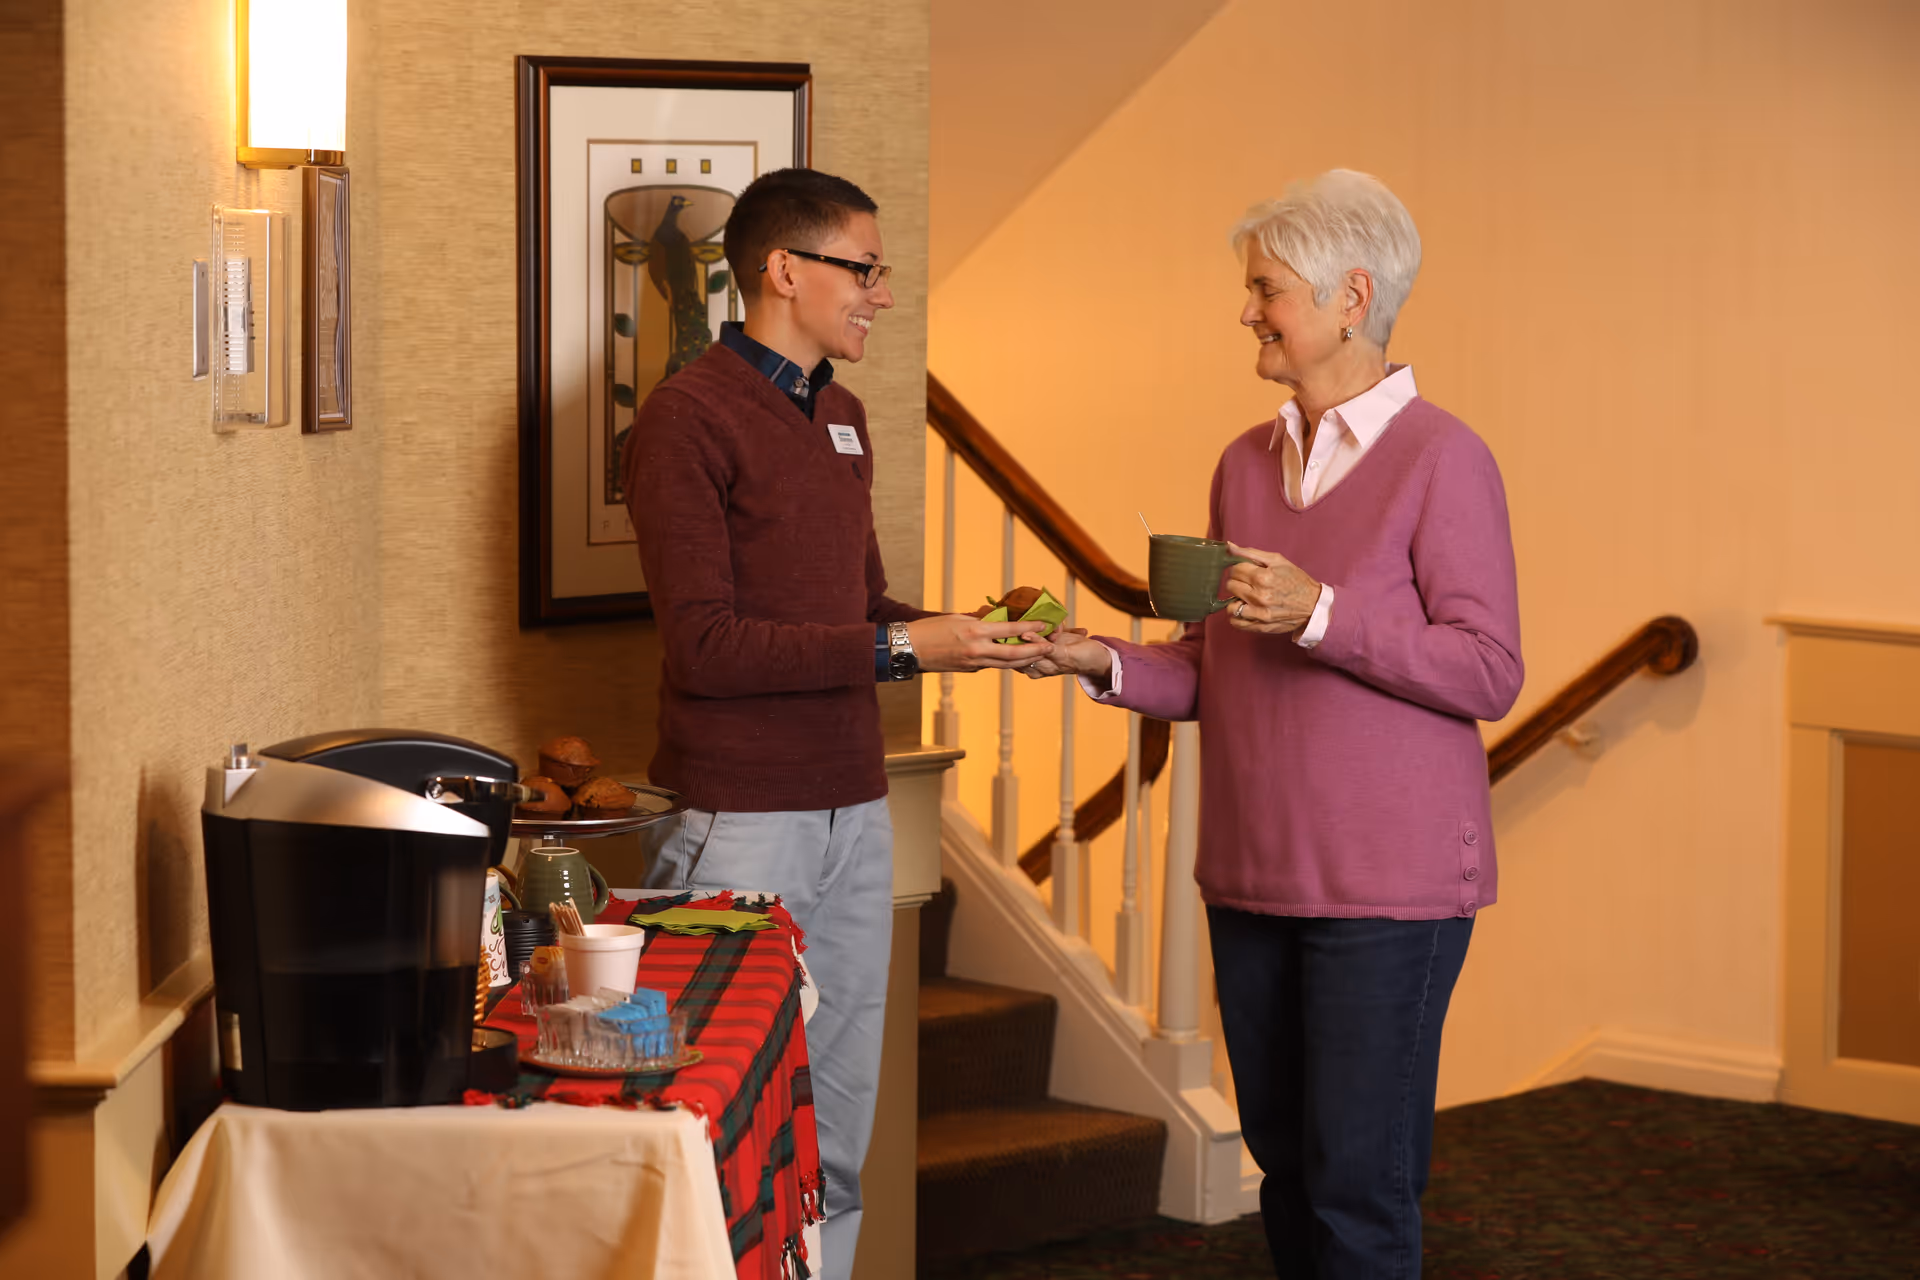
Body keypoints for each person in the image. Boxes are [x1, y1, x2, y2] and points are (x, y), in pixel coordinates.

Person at [1029, 169, 1523, 1279]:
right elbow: (1216, 669)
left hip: (1388, 889)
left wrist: (1325, 615)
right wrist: (1095, 659)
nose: (1247, 310)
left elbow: (1490, 671)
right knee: (1287, 1169)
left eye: (1266, 289)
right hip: (1250, 873)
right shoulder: (1243, 464)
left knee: (1360, 1181)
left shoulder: (1446, 458)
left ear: (1353, 296)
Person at [622, 167, 1052, 1280]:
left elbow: (860, 612)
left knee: (838, 1129)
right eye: (864, 269)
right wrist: (908, 649)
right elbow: (706, 649)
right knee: (710, 1118)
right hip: (739, 821)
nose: (882, 293)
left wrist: (966, 629)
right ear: (784, 270)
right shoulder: (686, 418)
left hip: (857, 812)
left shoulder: (847, 416)